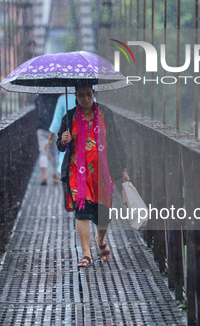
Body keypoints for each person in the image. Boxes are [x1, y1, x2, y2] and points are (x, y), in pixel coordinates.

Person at [57, 83, 130, 268]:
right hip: (77, 173)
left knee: (103, 216)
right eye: (81, 95)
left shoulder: (106, 113)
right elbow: (60, 145)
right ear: (75, 96)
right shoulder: (70, 116)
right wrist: (63, 140)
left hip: (102, 174)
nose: (86, 99)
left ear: (93, 93)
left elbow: (117, 141)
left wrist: (123, 170)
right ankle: (86, 253)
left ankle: (100, 239)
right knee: (81, 212)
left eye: (89, 94)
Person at [35, 94, 60, 185]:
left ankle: (44, 175)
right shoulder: (56, 98)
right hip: (53, 128)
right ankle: (55, 176)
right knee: (54, 152)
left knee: (43, 152)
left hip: (41, 127)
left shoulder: (38, 98)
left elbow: (37, 112)